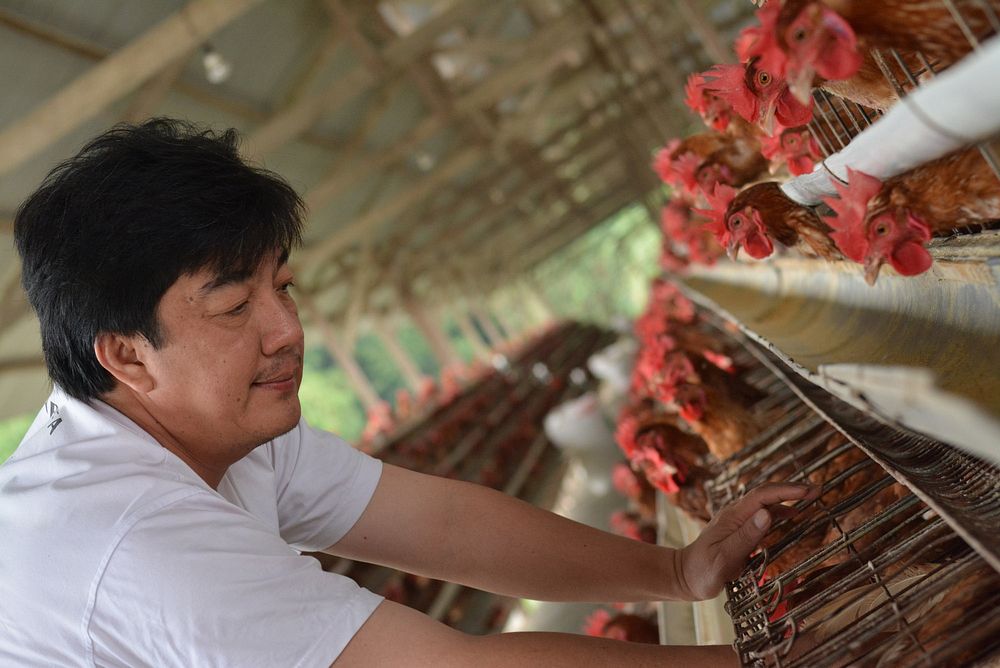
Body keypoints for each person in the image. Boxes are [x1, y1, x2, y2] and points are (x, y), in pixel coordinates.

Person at [0, 119, 816, 667]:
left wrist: (673, 572)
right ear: (127, 357)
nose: (286, 329)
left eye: (284, 286)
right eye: (234, 306)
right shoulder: (134, 541)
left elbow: (445, 525)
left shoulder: (228, 431)